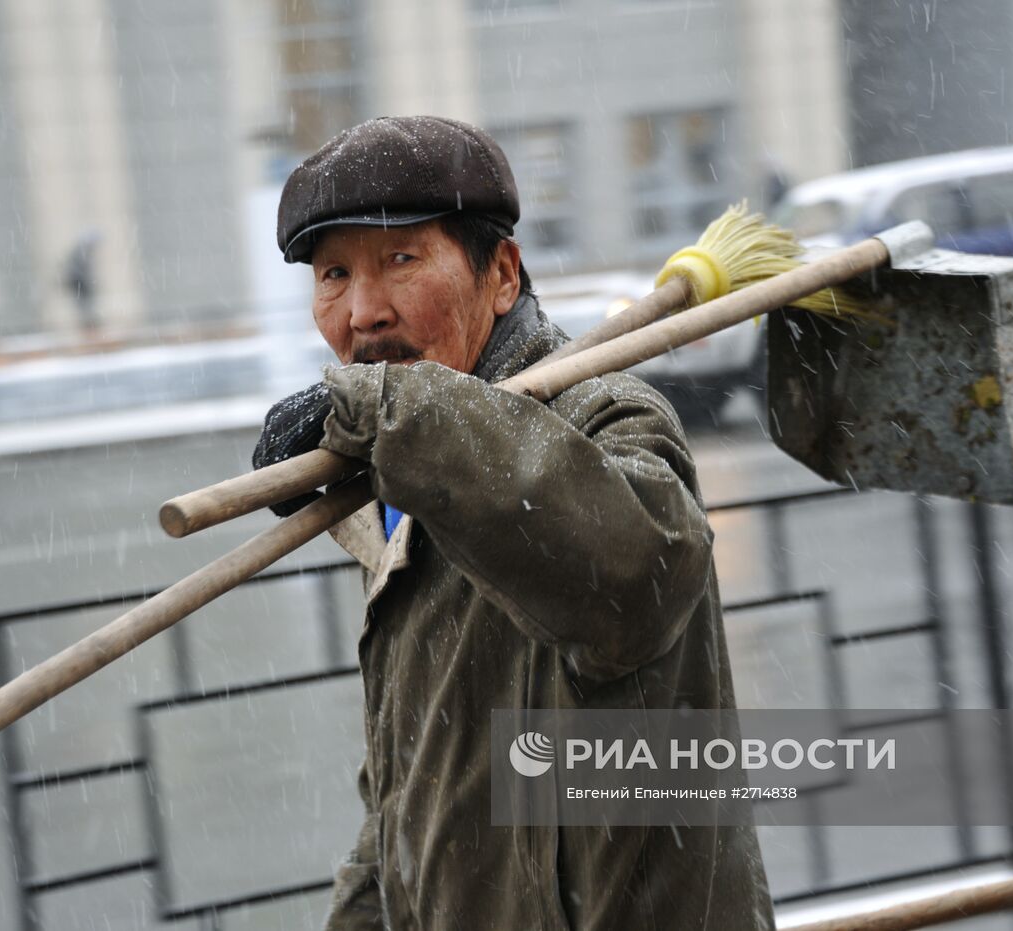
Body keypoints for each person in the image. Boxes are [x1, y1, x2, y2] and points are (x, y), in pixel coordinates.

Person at [254, 115, 774, 931]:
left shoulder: (605, 417)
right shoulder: (413, 467)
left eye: (400, 260)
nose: (363, 312)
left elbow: (630, 580)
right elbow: (412, 786)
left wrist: (386, 407)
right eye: (332, 274)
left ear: (501, 273)